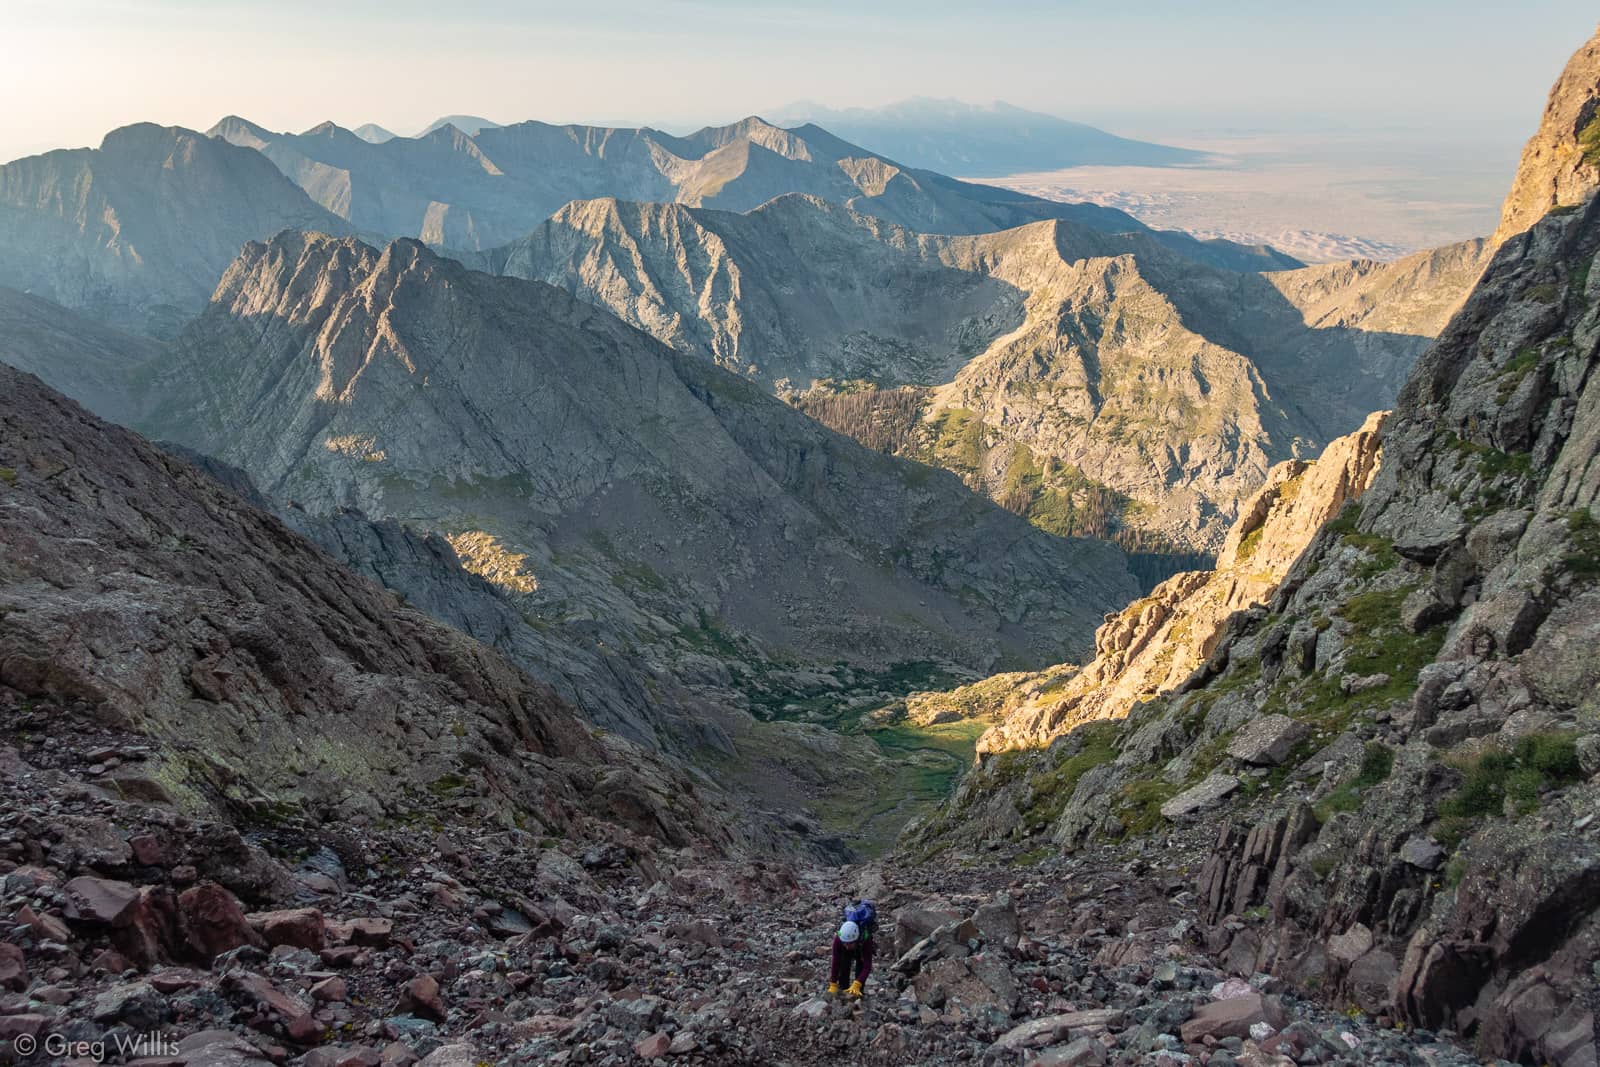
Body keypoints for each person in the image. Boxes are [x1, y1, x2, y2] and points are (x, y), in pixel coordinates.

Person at [826, 917, 874, 997]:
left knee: (860, 968)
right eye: (845, 943)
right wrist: (833, 983)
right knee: (843, 965)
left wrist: (858, 983)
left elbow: (867, 966)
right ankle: (843, 989)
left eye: (849, 944)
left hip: (859, 949)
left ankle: (858, 994)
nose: (847, 946)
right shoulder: (839, 938)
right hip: (847, 951)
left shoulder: (865, 938)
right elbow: (836, 961)